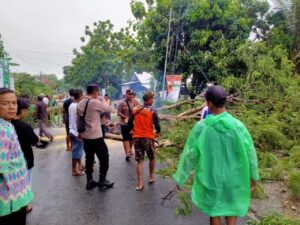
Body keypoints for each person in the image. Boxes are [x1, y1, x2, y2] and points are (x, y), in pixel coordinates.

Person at [173, 86, 259, 225]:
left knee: (214, 211)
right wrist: (254, 176)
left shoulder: (202, 127)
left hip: (210, 177)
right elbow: (250, 153)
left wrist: (181, 176)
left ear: (210, 103)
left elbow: (190, 154)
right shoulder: (238, 126)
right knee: (231, 210)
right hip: (234, 177)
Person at [0, 88, 34, 225]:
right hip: (10, 199)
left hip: (14, 196)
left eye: (14, 103)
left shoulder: (7, 125)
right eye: (5, 103)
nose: (11, 107)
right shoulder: (3, 130)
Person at [77, 84, 114, 190]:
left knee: (89, 159)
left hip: (86, 137)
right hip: (96, 137)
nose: (98, 94)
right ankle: (102, 181)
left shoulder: (80, 103)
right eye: (97, 92)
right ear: (95, 92)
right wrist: (102, 99)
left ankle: (89, 181)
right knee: (104, 158)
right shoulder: (94, 102)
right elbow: (109, 108)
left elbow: (79, 117)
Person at [11, 99, 40, 213]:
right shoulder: (24, 126)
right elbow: (34, 141)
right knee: (26, 182)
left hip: (11, 161)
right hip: (25, 159)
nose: (27, 112)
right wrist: (37, 138)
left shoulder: (7, 124)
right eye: (26, 110)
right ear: (22, 111)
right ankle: (26, 204)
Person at [128, 92, 160, 191]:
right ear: (149, 99)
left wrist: (134, 129)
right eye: (152, 99)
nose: (153, 100)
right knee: (152, 157)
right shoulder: (153, 110)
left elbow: (129, 123)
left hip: (137, 138)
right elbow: (157, 124)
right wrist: (157, 132)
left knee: (140, 161)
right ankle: (150, 177)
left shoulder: (135, 109)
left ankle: (140, 183)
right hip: (148, 138)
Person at [68, 89, 85, 176]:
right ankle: (74, 170)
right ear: (81, 95)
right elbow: (79, 121)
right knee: (76, 151)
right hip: (76, 132)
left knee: (77, 150)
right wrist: (80, 133)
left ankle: (80, 165)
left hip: (72, 130)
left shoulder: (71, 105)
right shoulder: (78, 106)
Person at [117, 89, 134, 161]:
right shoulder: (122, 103)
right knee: (126, 138)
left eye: (131, 94)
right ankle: (127, 153)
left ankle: (130, 150)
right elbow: (118, 112)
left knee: (132, 138)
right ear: (126, 94)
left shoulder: (135, 103)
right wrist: (125, 117)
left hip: (133, 123)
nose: (130, 95)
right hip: (124, 123)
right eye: (129, 94)